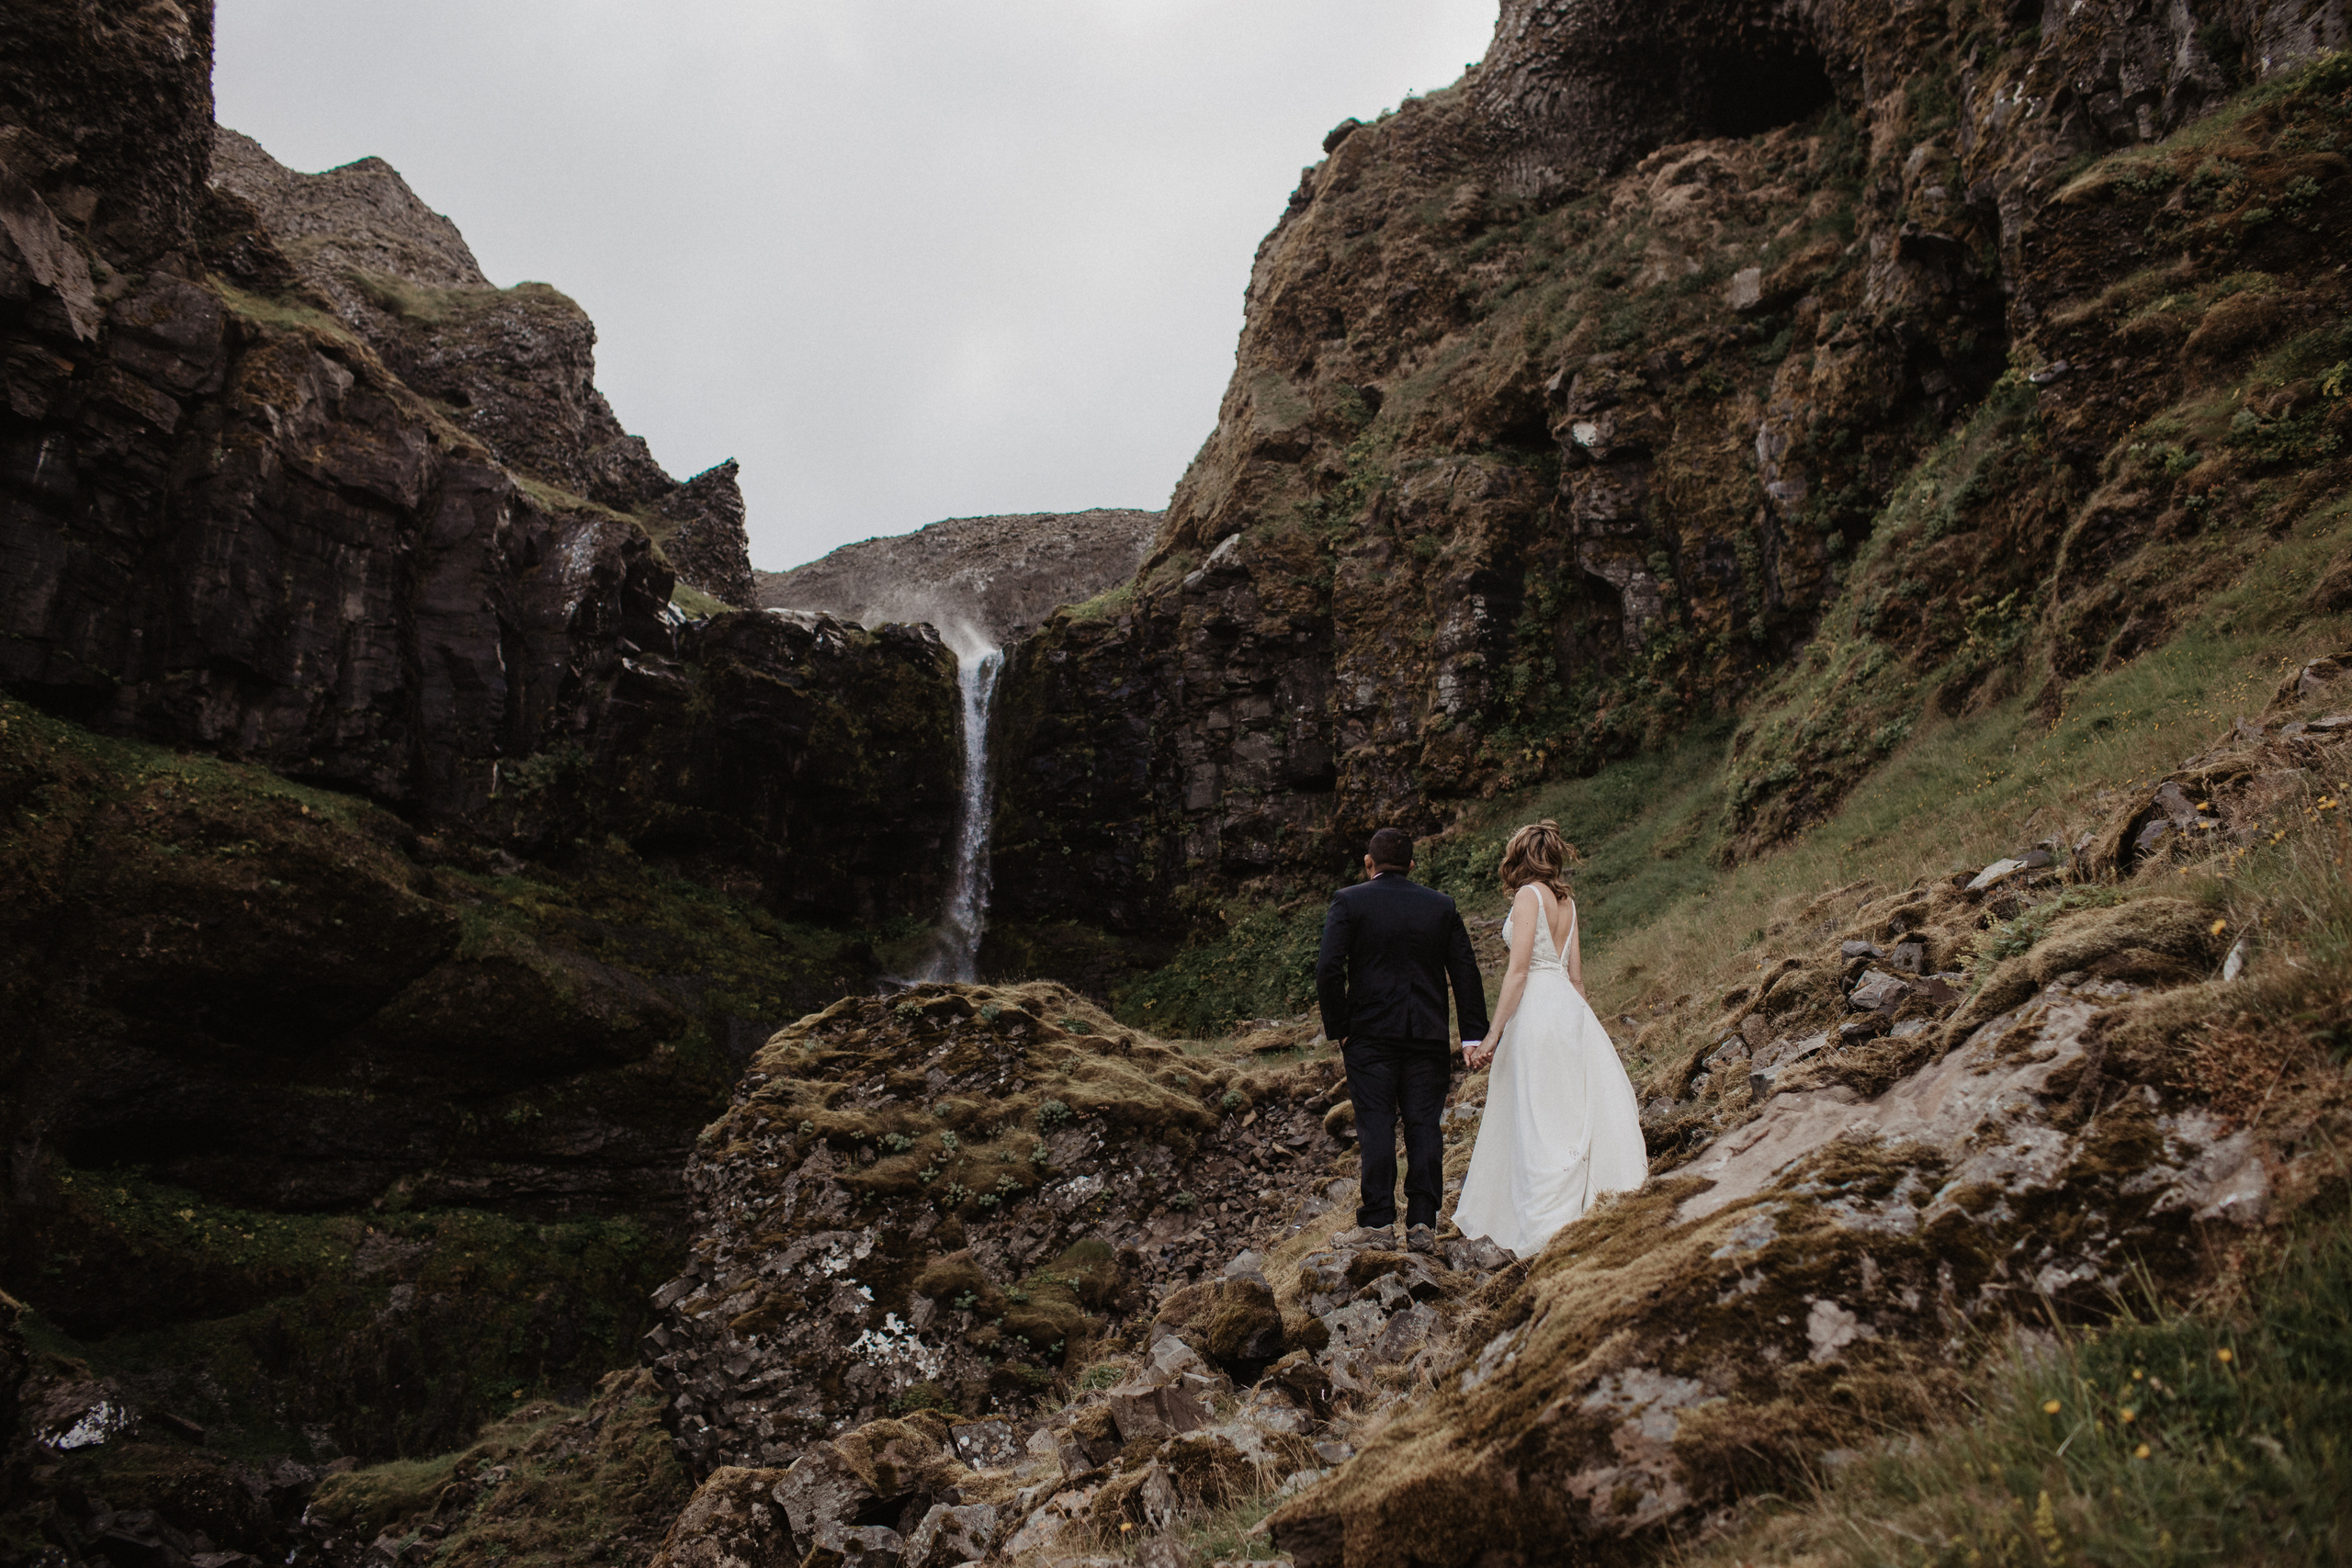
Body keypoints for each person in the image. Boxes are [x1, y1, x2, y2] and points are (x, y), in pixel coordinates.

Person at [1451, 820, 1647, 1258]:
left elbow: (1519, 971)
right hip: (1570, 1012)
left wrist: (1491, 1036)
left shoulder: (1528, 896)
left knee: (1537, 1115)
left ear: (1517, 857)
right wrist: (1583, 1025)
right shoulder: (1567, 902)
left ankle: (1543, 1222)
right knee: (1569, 1110)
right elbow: (1576, 980)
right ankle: (1582, 1203)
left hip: (1537, 1012)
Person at [1314, 826, 1489, 1255]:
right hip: (1427, 1034)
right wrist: (1472, 1035)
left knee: (1375, 1123)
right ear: (1412, 865)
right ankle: (1423, 1225)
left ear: (1368, 864)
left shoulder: (1350, 900)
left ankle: (1376, 1224)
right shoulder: (1441, 906)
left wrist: (1341, 1026)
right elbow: (1464, 971)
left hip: (1369, 1035)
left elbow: (1328, 969)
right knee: (1423, 1125)